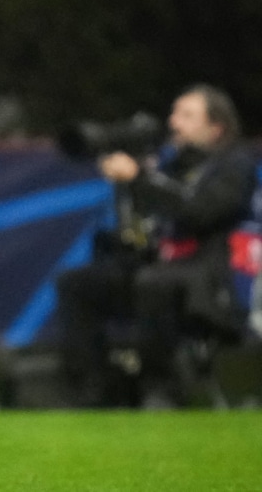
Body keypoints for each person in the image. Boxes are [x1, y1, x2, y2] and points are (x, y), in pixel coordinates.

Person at [56, 84, 256, 408]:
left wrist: (139, 179)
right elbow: (148, 230)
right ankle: (96, 391)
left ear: (216, 127)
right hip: (159, 267)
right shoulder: (168, 166)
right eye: (175, 113)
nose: (174, 122)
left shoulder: (235, 165)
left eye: (187, 115)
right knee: (78, 284)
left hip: (209, 276)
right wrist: (129, 198)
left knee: (153, 283)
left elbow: (200, 213)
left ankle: (160, 389)